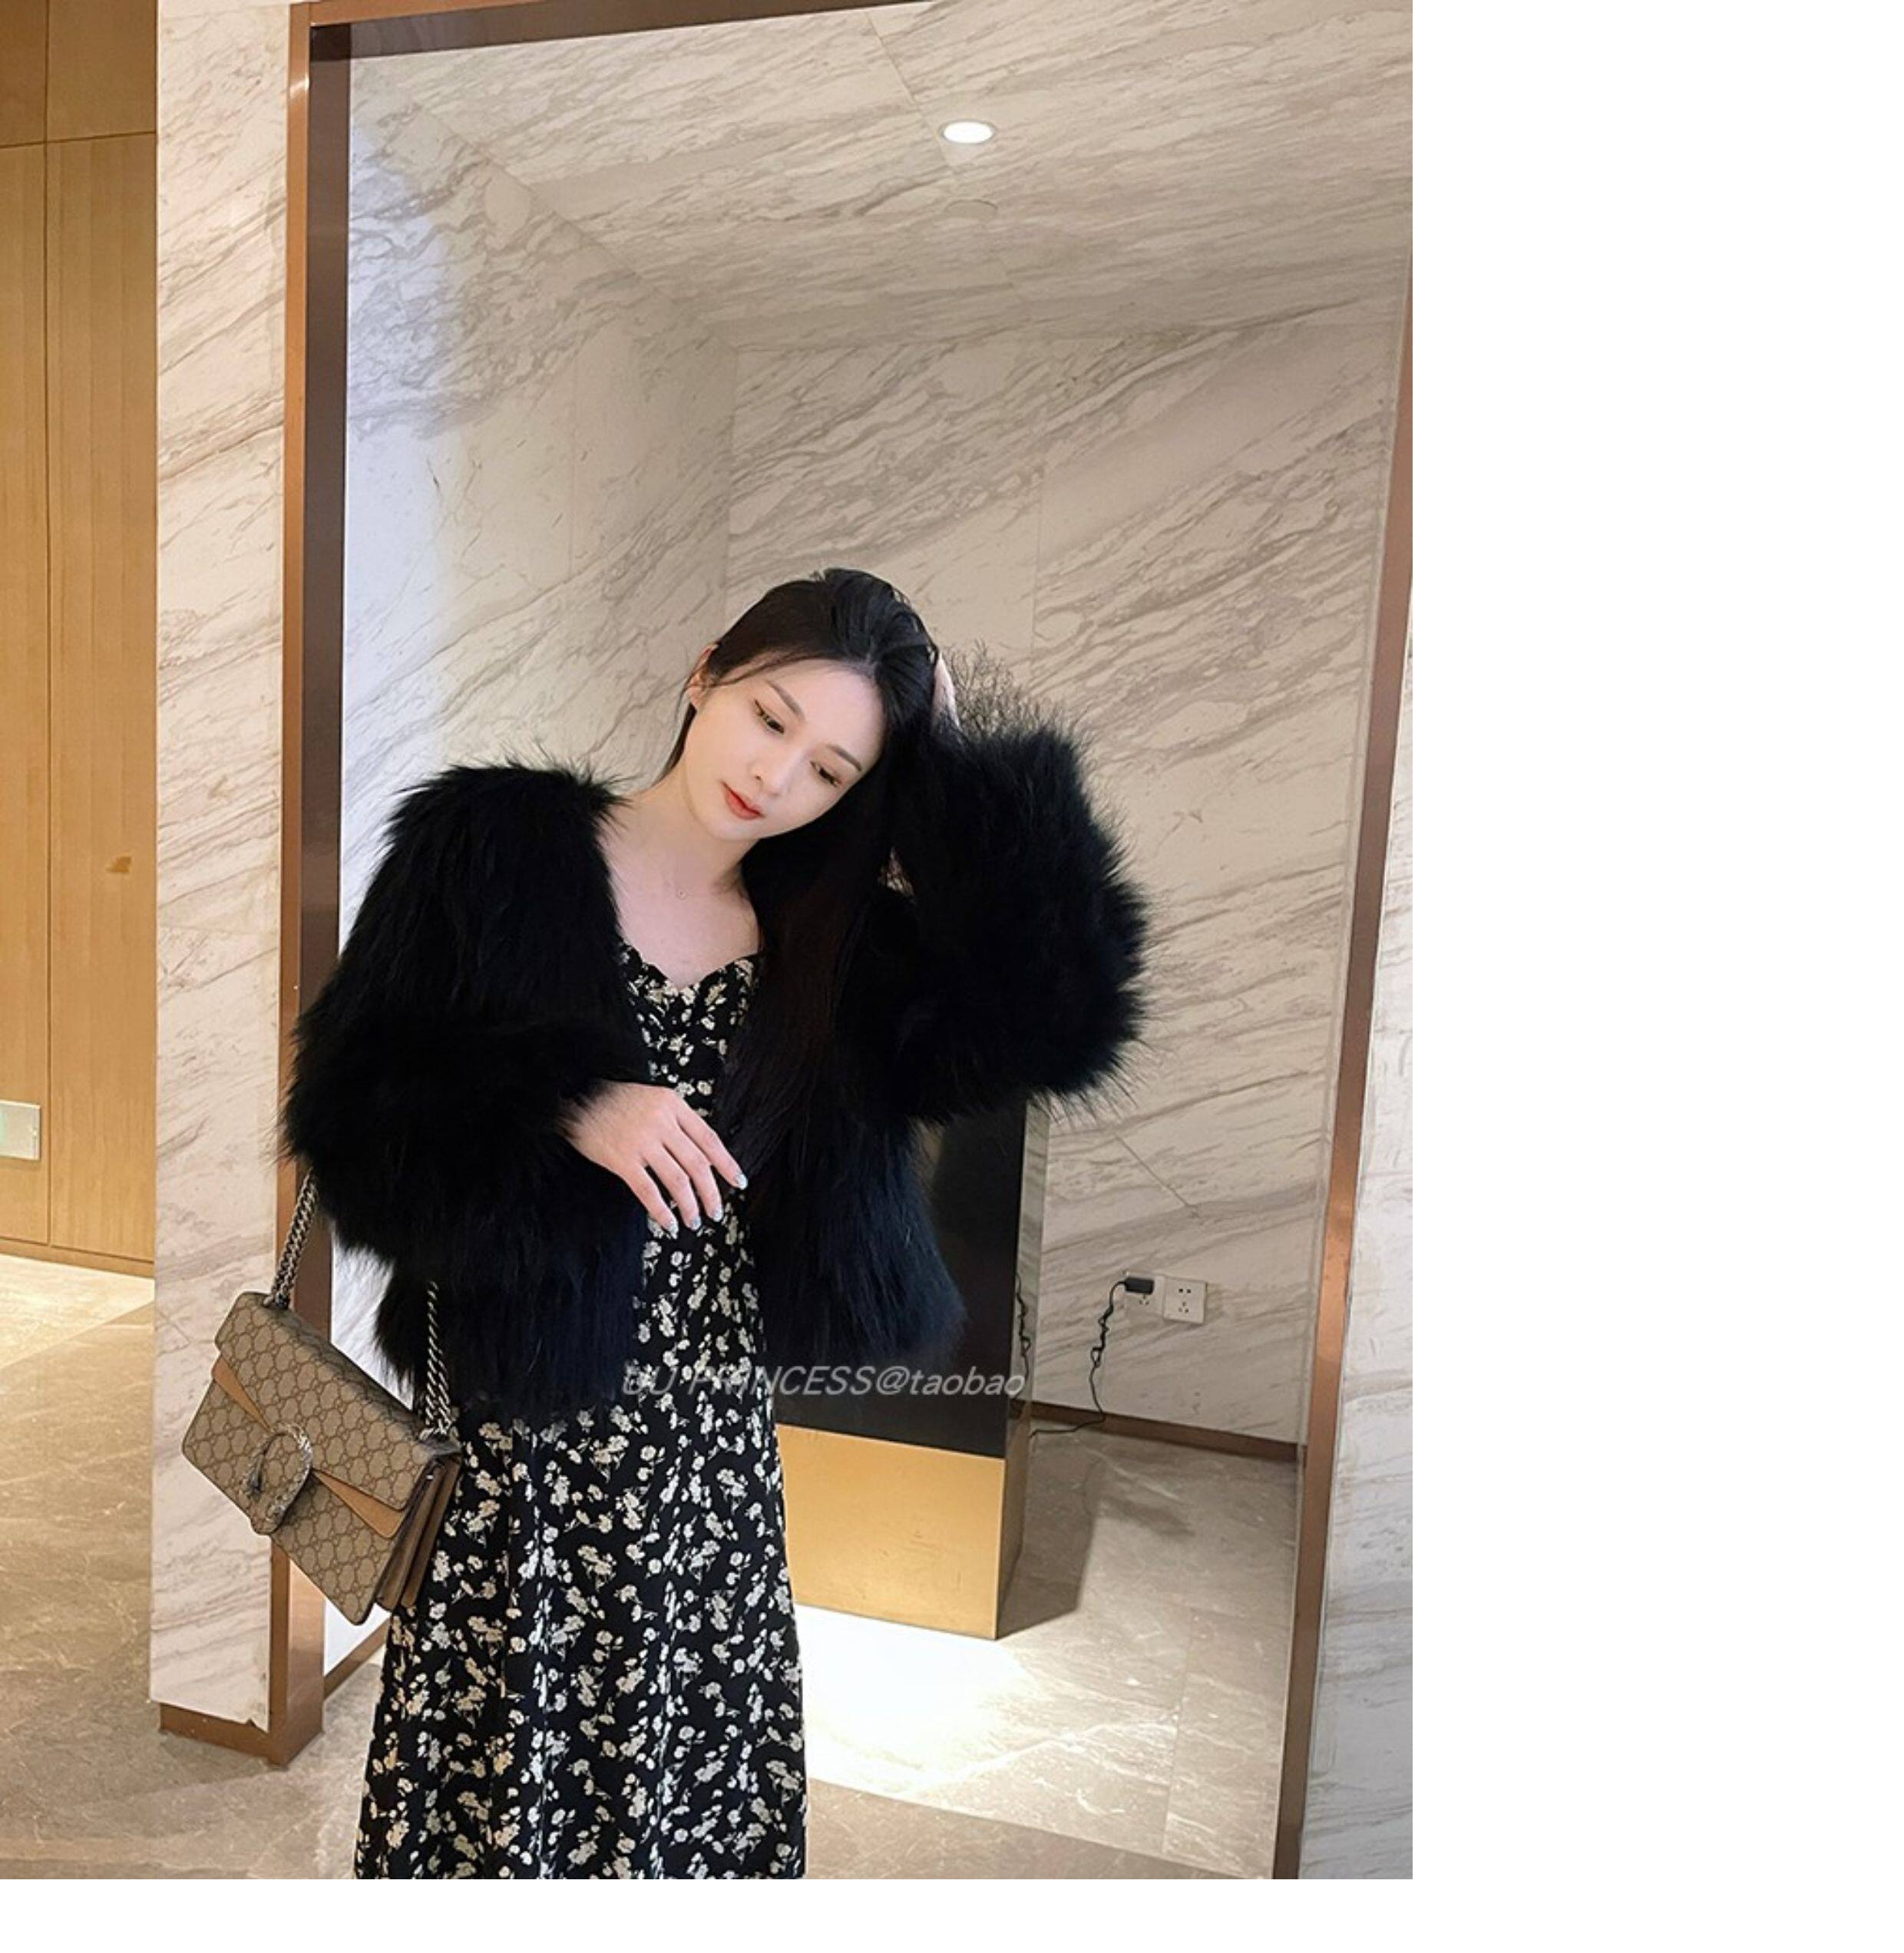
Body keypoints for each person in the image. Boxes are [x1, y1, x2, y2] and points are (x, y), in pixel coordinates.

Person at [280, 566, 1152, 1878]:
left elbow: (1061, 1020)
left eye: (832, 769)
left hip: (710, 1455)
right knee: (505, 1790)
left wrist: (955, 769)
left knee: (686, 1788)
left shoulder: (836, 944)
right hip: (519, 1448)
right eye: (770, 717)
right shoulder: (491, 848)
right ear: (707, 675)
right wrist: (566, 1101)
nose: (777, 775)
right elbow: (349, 1112)